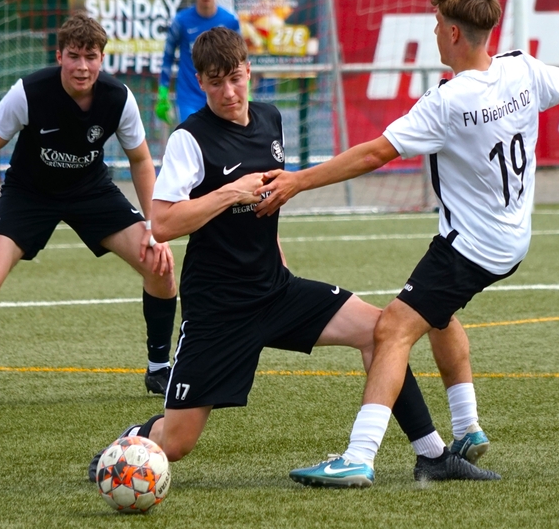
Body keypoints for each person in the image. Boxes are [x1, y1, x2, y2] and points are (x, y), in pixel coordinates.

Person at [89, 26, 497, 486]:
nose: (229, 92)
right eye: (216, 83)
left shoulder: (270, 119)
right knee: (178, 443)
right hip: (219, 308)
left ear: (249, 72)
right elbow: (163, 222)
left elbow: (266, 209)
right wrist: (230, 193)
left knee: (382, 332)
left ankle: (433, 456)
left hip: (276, 290)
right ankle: (127, 446)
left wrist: (274, 249)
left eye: (236, 79)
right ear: (200, 82)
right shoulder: (191, 138)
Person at [257, 0, 559, 486]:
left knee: (391, 329)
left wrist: (298, 180)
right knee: (437, 313)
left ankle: (359, 456)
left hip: (472, 247)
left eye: (437, 24)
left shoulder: (449, 101)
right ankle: (467, 429)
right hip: (513, 237)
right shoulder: (522, 69)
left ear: (454, 33)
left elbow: (374, 153)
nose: (434, 32)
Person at [0, 14, 177, 405]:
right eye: (73, 56)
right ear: (59, 56)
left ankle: (159, 369)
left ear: (102, 59)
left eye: (90, 57)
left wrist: (153, 225)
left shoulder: (119, 98)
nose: (82, 66)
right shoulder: (28, 92)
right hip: (29, 194)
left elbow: (141, 160)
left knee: (159, 265)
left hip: (91, 191)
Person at [156, 0, 241, 123]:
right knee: (193, 136)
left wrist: (244, 88)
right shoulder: (181, 21)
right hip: (189, 98)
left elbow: (241, 58)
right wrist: (163, 92)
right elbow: (168, 56)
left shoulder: (230, 21)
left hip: (222, 96)